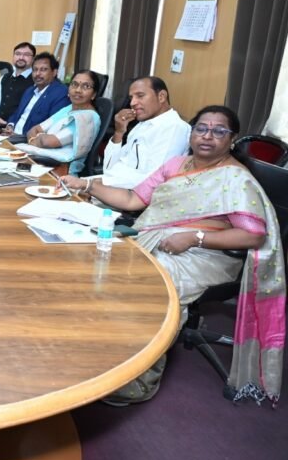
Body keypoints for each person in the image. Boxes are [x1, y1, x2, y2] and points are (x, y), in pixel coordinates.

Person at [60, 106, 284, 405]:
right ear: (192, 133)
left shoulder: (235, 178)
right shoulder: (176, 164)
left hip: (209, 253)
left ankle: (135, 378)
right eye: (201, 128)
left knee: (151, 286)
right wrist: (87, 184)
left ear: (232, 139)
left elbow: (253, 235)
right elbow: (133, 198)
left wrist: (195, 237)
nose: (207, 136)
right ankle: (99, 353)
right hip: (157, 239)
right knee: (100, 261)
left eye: (219, 131)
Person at [99, 75, 191, 189]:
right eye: (131, 97)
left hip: (130, 193)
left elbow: (154, 180)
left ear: (161, 96)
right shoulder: (142, 124)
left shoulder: (174, 127)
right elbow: (109, 169)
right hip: (113, 184)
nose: (132, 103)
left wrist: (97, 183)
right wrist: (119, 132)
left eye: (140, 96)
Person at [15, 71, 101, 175]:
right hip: (38, 163)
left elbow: (48, 142)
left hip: (60, 173)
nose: (78, 90)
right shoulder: (68, 108)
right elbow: (34, 130)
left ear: (93, 95)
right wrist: (41, 139)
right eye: (74, 84)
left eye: (86, 86)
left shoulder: (87, 117)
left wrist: (39, 139)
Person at [4, 52, 70, 138]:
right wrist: (10, 125)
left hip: (28, 141)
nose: (37, 74)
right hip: (11, 136)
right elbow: (17, 113)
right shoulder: (30, 90)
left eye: (43, 70)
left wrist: (20, 137)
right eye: (35, 70)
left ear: (54, 72)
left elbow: (52, 128)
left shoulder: (61, 93)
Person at [0, 42, 36, 126]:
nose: (21, 57)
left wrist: (11, 125)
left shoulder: (36, 81)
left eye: (26, 55)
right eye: (18, 54)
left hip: (18, 128)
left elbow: (31, 110)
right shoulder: (5, 77)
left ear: (33, 59)